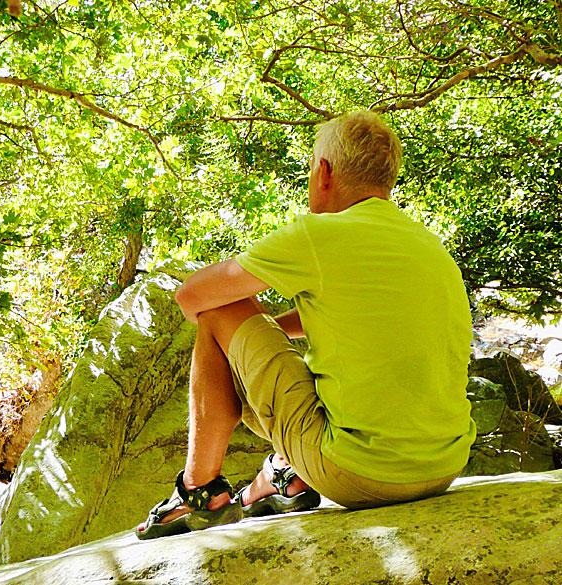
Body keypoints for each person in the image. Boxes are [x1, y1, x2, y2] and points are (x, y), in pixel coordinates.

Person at [136, 111, 476, 540]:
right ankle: (287, 474)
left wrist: (242, 334)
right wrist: (267, 332)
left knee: (219, 311)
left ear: (324, 172)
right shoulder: (427, 244)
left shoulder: (321, 234)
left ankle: (198, 491)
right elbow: (356, 318)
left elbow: (193, 297)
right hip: (443, 466)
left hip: (361, 475)